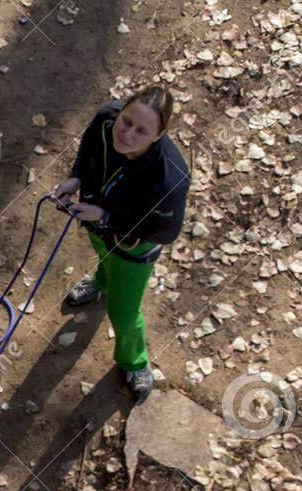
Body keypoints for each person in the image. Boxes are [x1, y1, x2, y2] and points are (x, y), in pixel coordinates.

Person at [50, 85, 190, 401]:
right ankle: (101, 282)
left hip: (133, 247)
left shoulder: (170, 177)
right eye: (126, 121)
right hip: (97, 222)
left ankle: (134, 362)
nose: (126, 134)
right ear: (121, 109)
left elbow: (165, 231)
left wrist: (106, 217)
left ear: (160, 134)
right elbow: (88, 150)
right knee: (103, 257)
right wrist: (76, 178)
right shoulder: (105, 120)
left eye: (142, 131)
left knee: (124, 314)